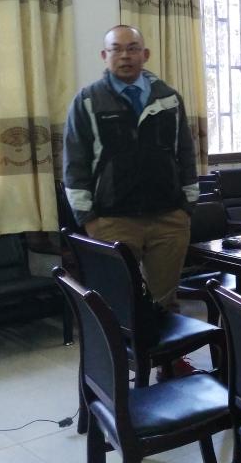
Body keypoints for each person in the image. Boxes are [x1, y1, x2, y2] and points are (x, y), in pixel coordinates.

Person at [63, 25, 199, 376]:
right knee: (115, 301)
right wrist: (88, 218)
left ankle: (169, 364)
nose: (125, 55)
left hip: (168, 218)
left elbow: (185, 153)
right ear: (105, 55)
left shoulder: (168, 98)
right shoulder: (88, 101)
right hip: (113, 219)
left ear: (145, 54)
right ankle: (116, 371)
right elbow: (74, 164)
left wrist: (186, 205)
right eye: (117, 49)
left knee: (165, 298)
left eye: (133, 48)